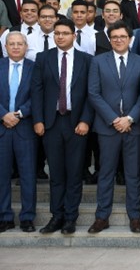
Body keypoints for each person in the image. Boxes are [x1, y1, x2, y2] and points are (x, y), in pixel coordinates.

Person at [31, 18, 93, 234]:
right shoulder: (43, 58)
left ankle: (70, 218)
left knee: (74, 173)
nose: (60, 37)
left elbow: (91, 94)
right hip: (51, 122)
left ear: (74, 36)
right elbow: (36, 90)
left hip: (77, 123)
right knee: (56, 173)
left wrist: (85, 120)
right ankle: (56, 216)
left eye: (65, 33)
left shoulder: (87, 60)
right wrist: (38, 120)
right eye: (57, 33)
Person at [86, 21, 140, 234]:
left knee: (134, 174)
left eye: (122, 36)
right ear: (109, 40)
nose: (119, 40)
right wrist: (114, 119)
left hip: (134, 127)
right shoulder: (98, 62)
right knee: (106, 173)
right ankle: (102, 217)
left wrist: (129, 119)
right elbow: (93, 93)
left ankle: (135, 216)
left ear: (130, 39)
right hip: (107, 127)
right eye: (114, 37)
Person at [0, 32, 36, 233]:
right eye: (11, 44)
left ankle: (27, 217)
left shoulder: (34, 68)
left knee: (28, 175)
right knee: (2, 176)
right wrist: (3, 114)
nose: (15, 47)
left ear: (26, 46)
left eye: (19, 44)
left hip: (25, 128)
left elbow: (38, 95)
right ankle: (4, 217)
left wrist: (20, 113)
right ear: (5, 47)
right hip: (2, 127)